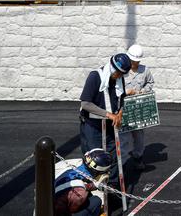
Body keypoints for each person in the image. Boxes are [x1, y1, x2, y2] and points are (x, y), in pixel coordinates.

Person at [79, 53, 131, 188]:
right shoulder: (95, 76)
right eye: (118, 73)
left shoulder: (119, 79)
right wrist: (109, 114)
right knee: (94, 160)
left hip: (109, 125)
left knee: (112, 157)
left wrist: (120, 112)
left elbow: (122, 98)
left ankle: (112, 188)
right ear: (113, 68)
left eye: (122, 74)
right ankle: (93, 190)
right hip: (92, 125)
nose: (120, 76)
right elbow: (86, 104)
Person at [120, 44, 154, 171]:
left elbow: (150, 82)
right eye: (133, 60)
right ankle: (121, 163)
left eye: (137, 61)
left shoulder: (145, 70)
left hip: (138, 106)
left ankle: (138, 157)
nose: (135, 63)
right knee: (123, 135)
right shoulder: (122, 70)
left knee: (139, 135)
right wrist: (126, 91)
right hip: (124, 107)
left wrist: (143, 91)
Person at [54, 148, 112, 216]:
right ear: (101, 172)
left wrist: (94, 185)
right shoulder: (80, 193)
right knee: (96, 201)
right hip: (58, 212)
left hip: (48, 202)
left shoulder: (69, 166)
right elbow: (72, 210)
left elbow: (76, 185)